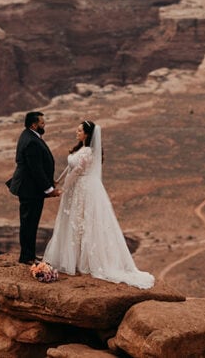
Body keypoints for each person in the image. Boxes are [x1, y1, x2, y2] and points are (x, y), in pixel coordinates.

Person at [42, 120, 154, 288]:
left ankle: (83, 261)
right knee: (74, 222)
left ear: (87, 134)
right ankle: (76, 259)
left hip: (83, 189)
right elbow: (70, 168)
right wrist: (57, 181)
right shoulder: (81, 149)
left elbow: (78, 171)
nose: (76, 132)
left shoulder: (88, 152)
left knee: (82, 222)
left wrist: (63, 189)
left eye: (79, 130)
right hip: (76, 188)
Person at [7, 111, 60, 264]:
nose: (44, 125)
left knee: (30, 223)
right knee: (29, 223)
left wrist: (50, 181)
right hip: (29, 189)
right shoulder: (31, 141)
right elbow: (35, 169)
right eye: (42, 123)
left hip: (31, 188)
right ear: (34, 125)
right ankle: (27, 257)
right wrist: (49, 190)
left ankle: (29, 255)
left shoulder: (30, 136)